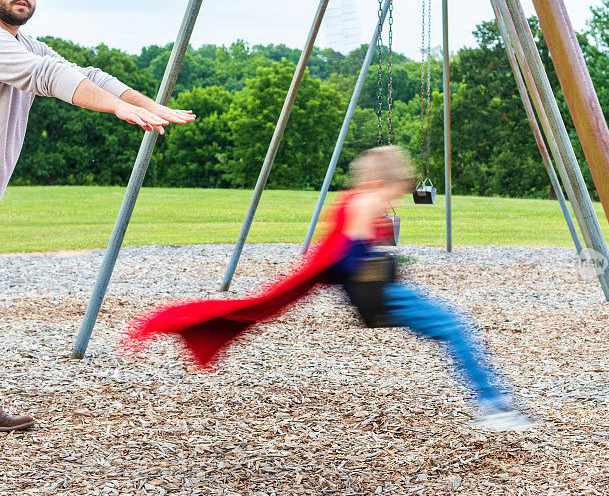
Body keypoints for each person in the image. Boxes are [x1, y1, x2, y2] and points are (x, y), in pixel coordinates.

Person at [124, 147, 532, 432]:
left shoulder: (352, 201)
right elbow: (352, 263)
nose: (398, 200)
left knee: (452, 328)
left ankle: (491, 400)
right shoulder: (365, 203)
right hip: (379, 295)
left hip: (373, 293)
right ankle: (492, 404)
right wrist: (379, 248)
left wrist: (377, 241)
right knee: (454, 327)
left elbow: (347, 254)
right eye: (395, 191)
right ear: (379, 183)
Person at [0, 0, 197, 430]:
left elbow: (86, 75)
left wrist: (150, 105)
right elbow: (46, 76)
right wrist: (115, 107)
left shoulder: (25, 43)